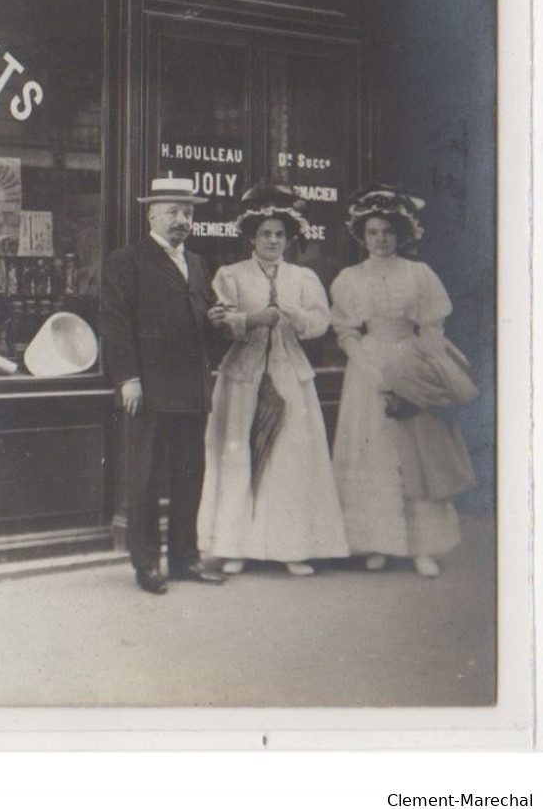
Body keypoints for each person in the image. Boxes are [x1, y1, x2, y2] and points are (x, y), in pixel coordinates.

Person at [197, 182, 349, 576]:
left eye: (280, 234)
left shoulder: (303, 277)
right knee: (238, 455)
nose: (272, 241)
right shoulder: (230, 275)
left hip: (289, 374)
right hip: (242, 376)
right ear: (251, 237)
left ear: (289, 238)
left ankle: (290, 546)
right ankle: (235, 545)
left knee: (290, 458)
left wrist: (296, 317)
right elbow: (219, 321)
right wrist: (250, 320)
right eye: (265, 234)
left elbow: (320, 323)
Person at [329, 183, 477, 578]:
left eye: (389, 231)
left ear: (402, 234)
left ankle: (422, 548)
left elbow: (432, 326)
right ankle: (378, 542)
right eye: (374, 232)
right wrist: (371, 369)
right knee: (376, 450)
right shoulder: (349, 278)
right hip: (369, 368)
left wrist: (421, 368)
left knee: (418, 452)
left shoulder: (419, 274)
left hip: (413, 361)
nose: (381, 239)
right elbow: (346, 331)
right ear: (363, 236)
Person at [100, 177, 227, 595]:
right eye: (172, 211)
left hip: (191, 388)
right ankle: (147, 563)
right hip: (149, 390)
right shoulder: (127, 261)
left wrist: (219, 322)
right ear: (151, 213)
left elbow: (205, 323)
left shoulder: (197, 264)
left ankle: (185, 559)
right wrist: (128, 380)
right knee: (145, 479)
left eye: (188, 212)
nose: (182, 220)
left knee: (191, 475)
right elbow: (116, 325)